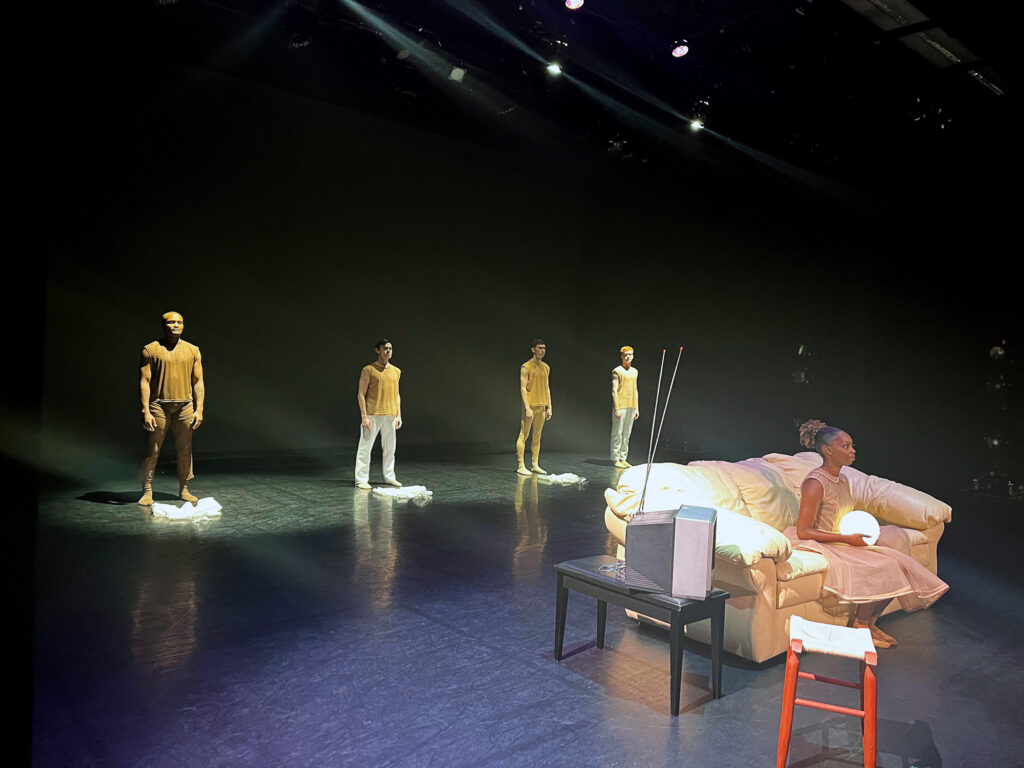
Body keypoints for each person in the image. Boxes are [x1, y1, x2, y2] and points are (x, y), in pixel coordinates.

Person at [788, 419, 948, 648]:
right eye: (845, 446)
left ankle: (870, 622)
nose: (852, 451)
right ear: (828, 450)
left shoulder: (842, 478)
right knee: (889, 566)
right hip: (825, 542)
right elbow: (804, 531)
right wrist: (848, 539)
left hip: (844, 537)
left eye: (852, 445)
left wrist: (857, 532)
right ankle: (860, 625)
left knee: (897, 538)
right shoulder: (815, 483)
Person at [138, 311, 205, 505]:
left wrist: (199, 409)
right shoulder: (150, 349)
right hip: (159, 405)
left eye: (179, 322)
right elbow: (145, 381)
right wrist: (146, 410)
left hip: (185, 405)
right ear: (163, 325)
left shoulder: (193, 350)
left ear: (183, 325)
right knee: (153, 448)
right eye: (171, 322)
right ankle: (147, 490)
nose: (175, 325)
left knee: (185, 448)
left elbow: (198, 381)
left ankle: (184, 488)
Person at [355, 339, 403, 490]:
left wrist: (398, 415)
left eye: (390, 348)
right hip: (373, 414)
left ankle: (389, 477)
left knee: (390, 448)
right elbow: (361, 394)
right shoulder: (368, 370)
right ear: (378, 350)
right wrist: (364, 416)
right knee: (365, 447)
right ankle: (361, 479)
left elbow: (397, 394)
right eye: (385, 348)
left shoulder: (396, 371)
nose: (388, 351)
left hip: (390, 414)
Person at [516, 339, 552, 476]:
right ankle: (520, 465)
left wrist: (549, 406)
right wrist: (527, 407)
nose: (542, 351)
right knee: (524, 434)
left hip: (542, 405)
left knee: (537, 436)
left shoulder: (546, 367)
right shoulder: (526, 367)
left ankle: (535, 464)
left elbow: (547, 387)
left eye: (544, 348)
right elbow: (523, 388)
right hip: (530, 405)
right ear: (533, 349)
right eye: (539, 348)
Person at [610, 346, 639, 468]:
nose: (628, 357)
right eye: (625, 355)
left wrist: (636, 407)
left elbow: (635, 390)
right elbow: (614, 390)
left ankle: (623, 457)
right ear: (622, 356)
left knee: (627, 434)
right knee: (618, 433)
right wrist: (617, 408)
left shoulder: (635, 371)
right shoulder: (617, 371)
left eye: (630, 354)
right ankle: (615, 458)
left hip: (631, 405)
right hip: (621, 406)